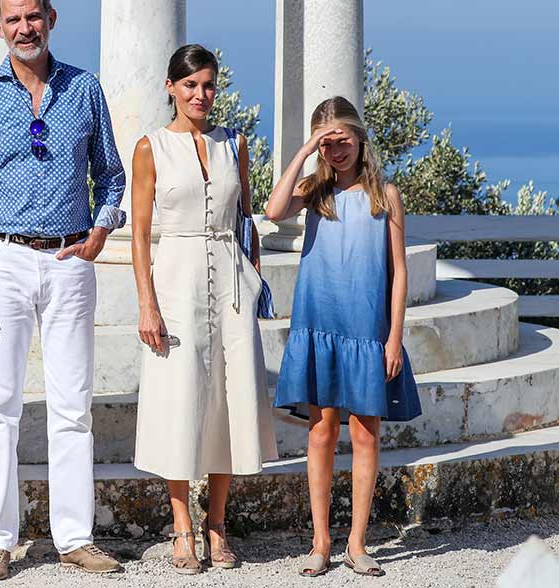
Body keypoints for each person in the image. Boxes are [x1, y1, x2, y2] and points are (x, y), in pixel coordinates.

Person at [0, 0, 126, 581]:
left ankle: (75, 537)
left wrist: (101, 231)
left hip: (70, 261)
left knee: (73, 404)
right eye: (13, 19)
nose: (25, 28)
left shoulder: (86, 88)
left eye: (33, 16)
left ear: (51, 17)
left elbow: (113, 177)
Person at [131, 44, 278, 574]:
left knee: (228, 398)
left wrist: (255, 275)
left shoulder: (233, 142)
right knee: (180, 399)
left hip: (231, 280)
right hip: (176, 278)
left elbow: (246, 217)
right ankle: (181, 526)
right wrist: (146, 302)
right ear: (171, 87)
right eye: (190, 84)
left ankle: (218, 524)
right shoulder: (150, 148)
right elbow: (141, 233)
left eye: (209, 85)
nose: (200, 94)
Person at [267, 96, 422, 578]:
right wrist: (305, 148)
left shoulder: (386, 195)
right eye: (327, 143)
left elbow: (399, 273)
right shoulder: (316, 189)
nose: (336, 150)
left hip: (367, 330)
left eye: (342, 140)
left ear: (359, 139)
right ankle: (320, 541)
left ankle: (357, 542)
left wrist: (394, 337)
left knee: (365, 434)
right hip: (320, 324)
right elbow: (273, 211)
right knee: (321, 432)